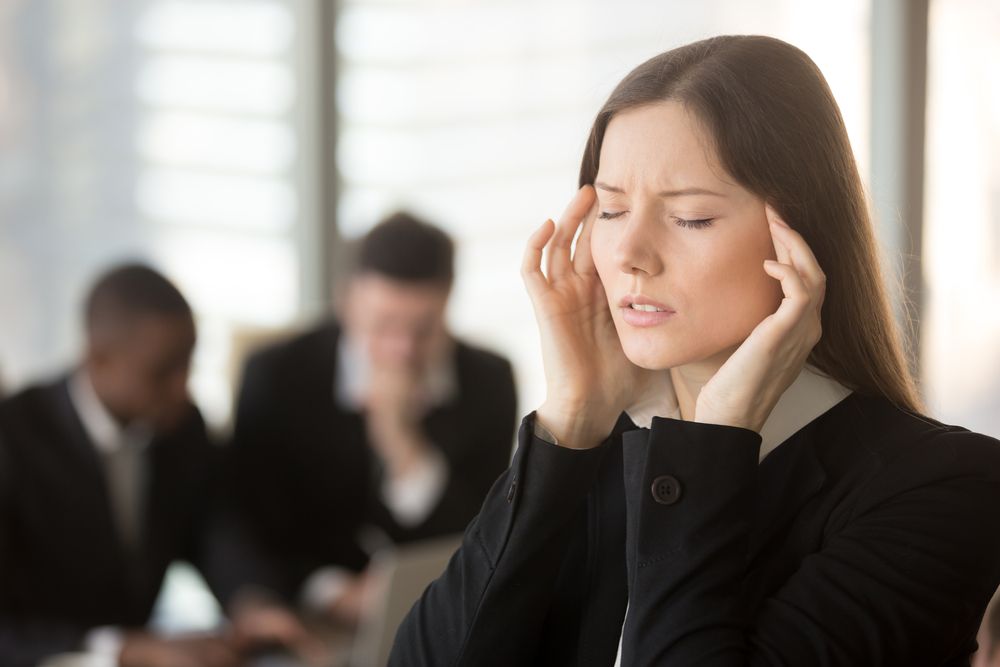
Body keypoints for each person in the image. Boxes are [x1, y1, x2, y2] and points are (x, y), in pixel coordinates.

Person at [389, 35, 1000, 666]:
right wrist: (569, 420)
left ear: (800, 239)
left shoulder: (944, 487)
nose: (629, 254)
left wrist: (714, 445)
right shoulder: (588, 451)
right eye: (612, 209)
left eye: (691, 219)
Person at [0, 263, 308, 667]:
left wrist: (250, 601)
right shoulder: (14, 437)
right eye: (163, 371)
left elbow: (216, 528)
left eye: (188, 364)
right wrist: (125, 649)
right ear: (99, 359)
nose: (182, 388)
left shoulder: (181, 427)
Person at [229, 211, 518, 624]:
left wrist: (402, 442)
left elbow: (478, 536)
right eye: (384, 325)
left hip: (436, 617)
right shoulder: (276, 376)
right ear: (347, 302)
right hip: (303, 618)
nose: (402, 348)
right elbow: (250, 523)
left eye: (423, 328)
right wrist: (331, 593)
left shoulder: (488, 381)